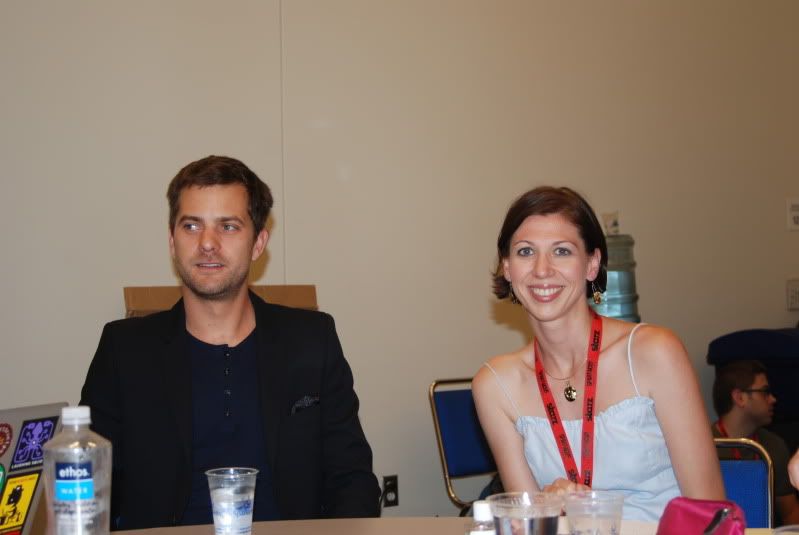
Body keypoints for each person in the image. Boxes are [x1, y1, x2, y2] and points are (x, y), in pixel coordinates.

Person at [80, 155, 380, 530]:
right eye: (191, 226)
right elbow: (87, 489)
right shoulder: (125, 350)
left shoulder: (311, 341)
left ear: (258, 244)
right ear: (172, 241)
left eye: (228, 226)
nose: (207, 243)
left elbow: (353, 482)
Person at [472, 186, 724, 522]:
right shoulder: (495, 385)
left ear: (592, 264)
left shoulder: (653, 352)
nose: (542, 270)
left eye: (561, 251)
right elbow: (525, 526)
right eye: (525, 252)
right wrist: (547, 505)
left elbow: (710, 512)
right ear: (507, 267)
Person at [712, 360, 799, 525]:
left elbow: (790, 513)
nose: (773, 399)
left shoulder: (773, 446)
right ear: (740, 398)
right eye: (765, 392)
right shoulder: (704, 446)